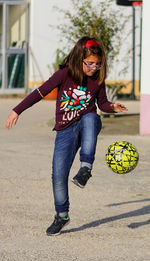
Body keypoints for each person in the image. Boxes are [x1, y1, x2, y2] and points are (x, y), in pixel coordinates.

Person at [6, 36, 128, 236]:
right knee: (58, 175)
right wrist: (17, 110)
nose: (93, 68)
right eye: (89, 63)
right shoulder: (64, 74)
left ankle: (85, 168)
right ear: (79, 59)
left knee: (91, 118)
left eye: (98, 65)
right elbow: (40, 92)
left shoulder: (98, 79)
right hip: (64, 129)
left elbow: (102, 104)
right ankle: (62, 215)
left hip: (87, 124)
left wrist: (112, 107)